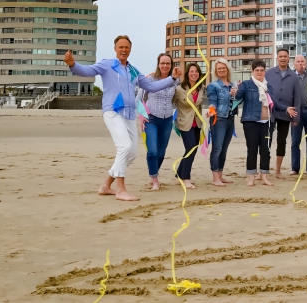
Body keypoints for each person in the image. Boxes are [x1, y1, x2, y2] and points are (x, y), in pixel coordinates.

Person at [66, 35, 181, 201]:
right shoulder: (107, 65)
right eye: (121, 47)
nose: (124, 50)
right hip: (112, 111)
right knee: (125, 147)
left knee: (132, 153)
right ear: (115, 49)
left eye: (127, 47)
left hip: (129, 114)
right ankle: (120, 190)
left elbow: (152, 86)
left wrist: (173, 78)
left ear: (130, 50)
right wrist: (72, 64)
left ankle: (106, 185)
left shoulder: (133, 70)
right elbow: (87, 71)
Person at [136, 53, 176, 191]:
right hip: (151, 118)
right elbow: (139, 98)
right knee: (152, 150)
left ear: (171, 65)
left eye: (168, 63)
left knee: (161, 152)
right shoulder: (150, 79)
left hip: (167, 120)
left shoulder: (175, 81)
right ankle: (154, 180)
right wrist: (141, 117)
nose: (165, 66)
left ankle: (153, 173)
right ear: (158, 64)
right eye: (162, 63)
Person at [234, 60, 277, 186]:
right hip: (251, 122)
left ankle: (264, 177)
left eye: (262, 70)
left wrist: (286, 109)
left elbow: (274, 103)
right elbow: (238, 97)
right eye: (257, 70)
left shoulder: (269, 86)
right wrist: (235, 92)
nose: (259, 72)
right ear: (252, 71)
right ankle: (251, 177)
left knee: (265, 150)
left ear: (265, 71)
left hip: (267, 122)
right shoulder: (246, 84)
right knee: (252, 150)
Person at [265, 49, 301, 179]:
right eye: (280, 56)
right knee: (266, 141)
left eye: (285, 56)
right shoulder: (268, 73)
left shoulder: (294, 76)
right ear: (277, 58)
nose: (283, 58)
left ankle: (278, 170)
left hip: (287, 114)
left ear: (288, 58)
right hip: (269, 113)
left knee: (282, 141)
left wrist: (296, 116)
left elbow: (297, 97)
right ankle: (263, 170)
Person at [172, 63, 207, 189]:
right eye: (192, 71)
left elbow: (198, 106)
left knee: (192, 149)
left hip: (197, 123)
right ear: (187, 73)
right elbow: (170, 100)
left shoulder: (201, 88)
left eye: (196, 71)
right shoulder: (179, 88)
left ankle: (179, 175)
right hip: (184, 123)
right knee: (190, 149)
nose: (194, 74)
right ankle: (185, 178)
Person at [206, 58, 237, 187]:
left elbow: (236, 102)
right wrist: (211, 110)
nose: (222, 70)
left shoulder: (233, 85)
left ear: (227, 69)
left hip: (230, 118)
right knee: (217, 149)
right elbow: (212, 102)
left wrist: (236, 95)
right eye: (219, 68)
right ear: (216, 71)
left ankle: (220, 175)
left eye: (223, 68)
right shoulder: (213, 86)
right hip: (218, 119)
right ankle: (215, 178)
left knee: (224, 149)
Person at [290, 54, 307, 176]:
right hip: (296, 111)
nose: (300, 63)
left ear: (305, 63)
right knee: (295, 141)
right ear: (294, 64)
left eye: (302, 61)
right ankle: (295, 168)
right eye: (298, 61)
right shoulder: (290, 76)